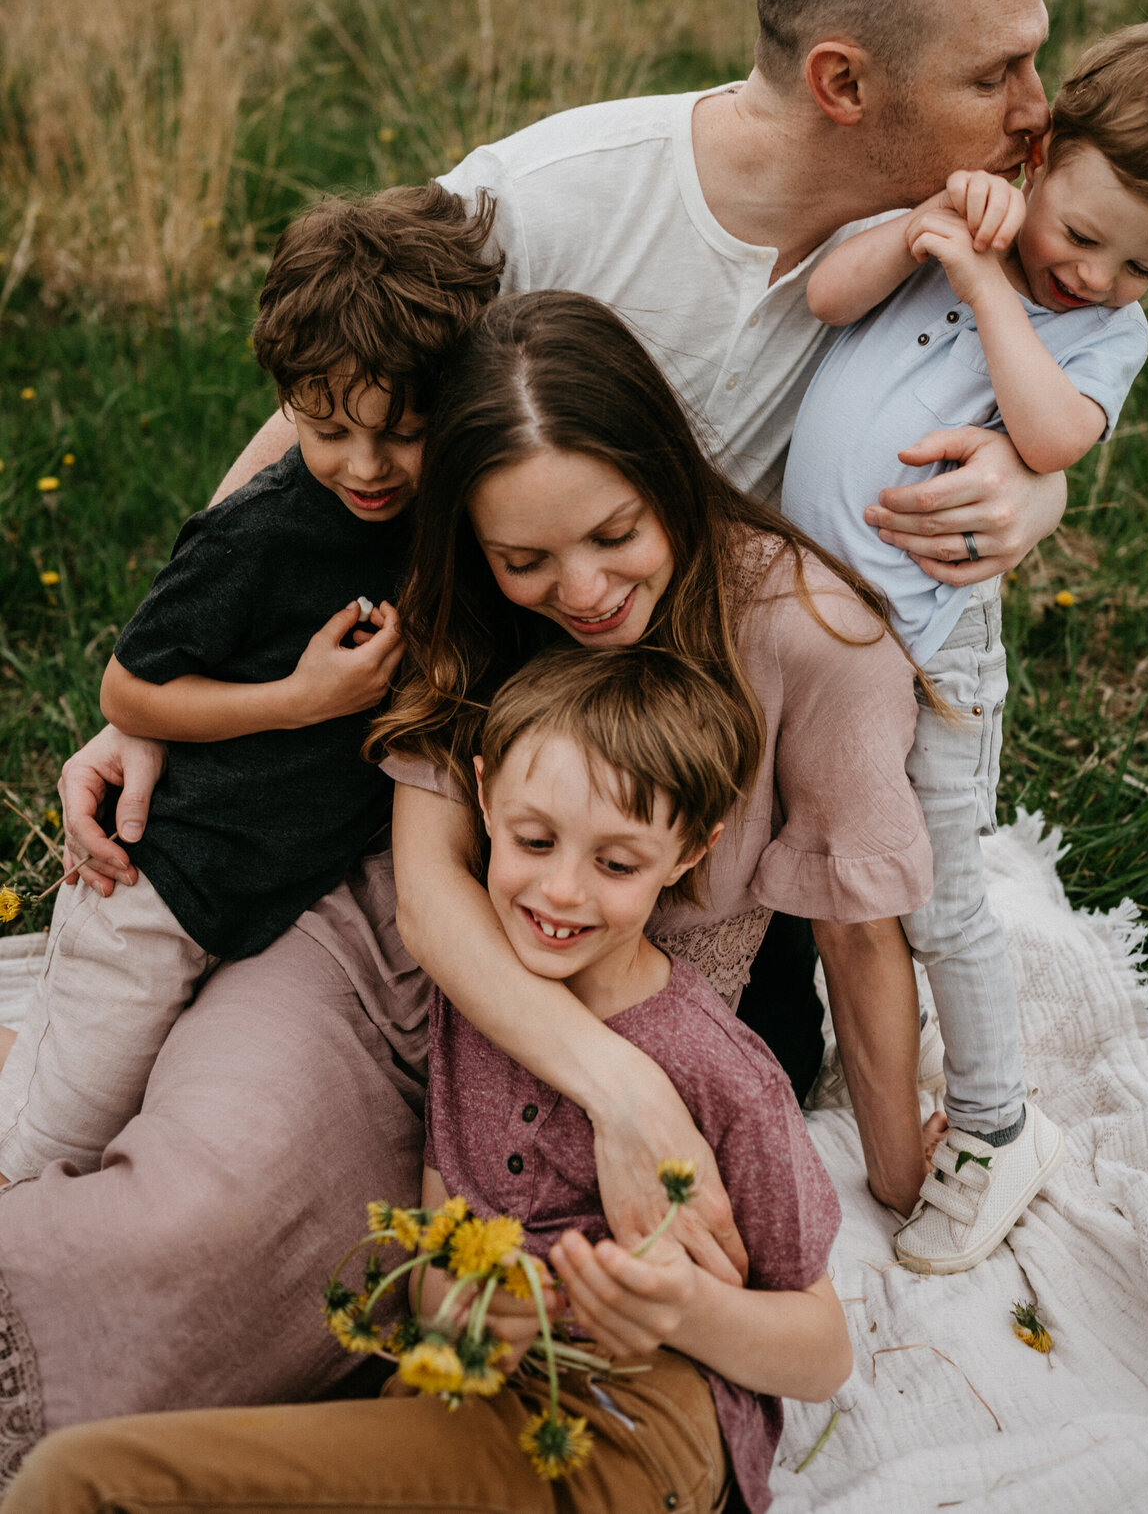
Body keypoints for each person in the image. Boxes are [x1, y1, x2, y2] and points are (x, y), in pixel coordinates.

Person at [56, 0, 1064, 1254]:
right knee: (268, 1147)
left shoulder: (944, 241)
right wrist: (160, 679)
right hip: (460, 721)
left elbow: (1047, 383)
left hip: (688, 774)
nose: (1039, 108)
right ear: (844, 80)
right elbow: (320, 415)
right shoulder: (552, 200)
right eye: (1002, 70)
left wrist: (1035, 484)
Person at [5, 645, 851, 1514]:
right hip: (460, 1390)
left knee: (80, 1485)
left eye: (617, 863)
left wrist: (683, 1309)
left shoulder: (717, 1068)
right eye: (534, 840)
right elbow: (431, 1278)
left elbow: (823, 1350)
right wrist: (480, 1310)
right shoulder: (472, 1011)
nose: (562, 890)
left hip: (625, 1423)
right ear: (482, 795)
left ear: (688, 852)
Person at [378, 288, 940, 1235]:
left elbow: (855, 930)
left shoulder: (812, 635)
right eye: (527, 558)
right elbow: (429, 888)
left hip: (706, 1024)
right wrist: (618, 1090)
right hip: (482, 1014)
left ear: (671, 477)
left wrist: (896, 1177)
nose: (586, 592)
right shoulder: (473, 606)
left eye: (616, 534)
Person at [784, 21, 1148, 1271]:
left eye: (1142, 265)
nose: (1098, 276)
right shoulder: (955, 224)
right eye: (1080, 235)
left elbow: (1052, 435)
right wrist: (922, 234)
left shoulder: (1097, 337)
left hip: (933, 651)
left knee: (945, 896)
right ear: (1042, 150)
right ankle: (870, 1053)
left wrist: (984, 282)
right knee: (849, 867)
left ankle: (996, 1122)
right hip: (813, 629)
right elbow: (823, 296)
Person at [0, 184, 499, 1184]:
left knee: (162, 1102)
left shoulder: (451, 513)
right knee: (48, 1153)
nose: (366, 466)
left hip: (276, 903)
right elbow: (129, 695)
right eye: (326, 430)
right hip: (158, 890)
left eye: (401, 432)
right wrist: (302, 701)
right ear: (288, 403)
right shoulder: (260, 532)